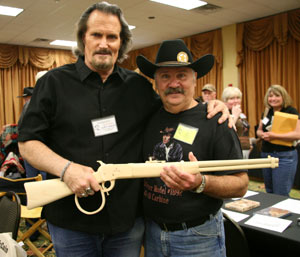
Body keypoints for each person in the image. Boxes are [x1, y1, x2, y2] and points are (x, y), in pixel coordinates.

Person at [18, 2, 231, 257]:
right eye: (96, 35)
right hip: (70, 221)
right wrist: (67, 170)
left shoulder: (139, 88)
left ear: (121, 42)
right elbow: (27, 143)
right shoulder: (53, 83)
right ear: (83, 38)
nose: (104, 43)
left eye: (112, 36)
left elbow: (175, 107)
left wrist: (213, 107)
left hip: (127, 223)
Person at [137, 39, 249, 257]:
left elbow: (241, 184)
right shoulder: (147, 116)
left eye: (181, 75)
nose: (174, 83)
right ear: (156, 82)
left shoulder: (216, 121)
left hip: (198, 237)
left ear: (195, 78)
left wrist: (201, 183)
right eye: (165, 76)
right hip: (151, 234)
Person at [256, 85, 300, 196]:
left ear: (283, 97)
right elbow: (259, 131)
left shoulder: (291, 111)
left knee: (281, 193)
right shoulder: (267, 112)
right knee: (269, 192)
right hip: (266, 155)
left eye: (277, 95)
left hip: (284, 156)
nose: (273, 99)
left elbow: (297, 134)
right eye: (270, 96)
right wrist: (263, 135)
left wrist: (275, 136)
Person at [18, 71, 48, 180]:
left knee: (32, 180)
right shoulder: (46, 100)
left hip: (30, 148)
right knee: (44, 182)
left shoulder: (29, 103)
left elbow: (20, 126)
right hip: (42, 148)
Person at [222, 86, 251, 158]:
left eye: (238, 98)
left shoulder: (242, 115)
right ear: (225, 102)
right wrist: (235, 116)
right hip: (232, 151)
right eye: (231, 99)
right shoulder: (223, 114)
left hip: (245, 150)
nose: (236, 101)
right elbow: (226, 131)